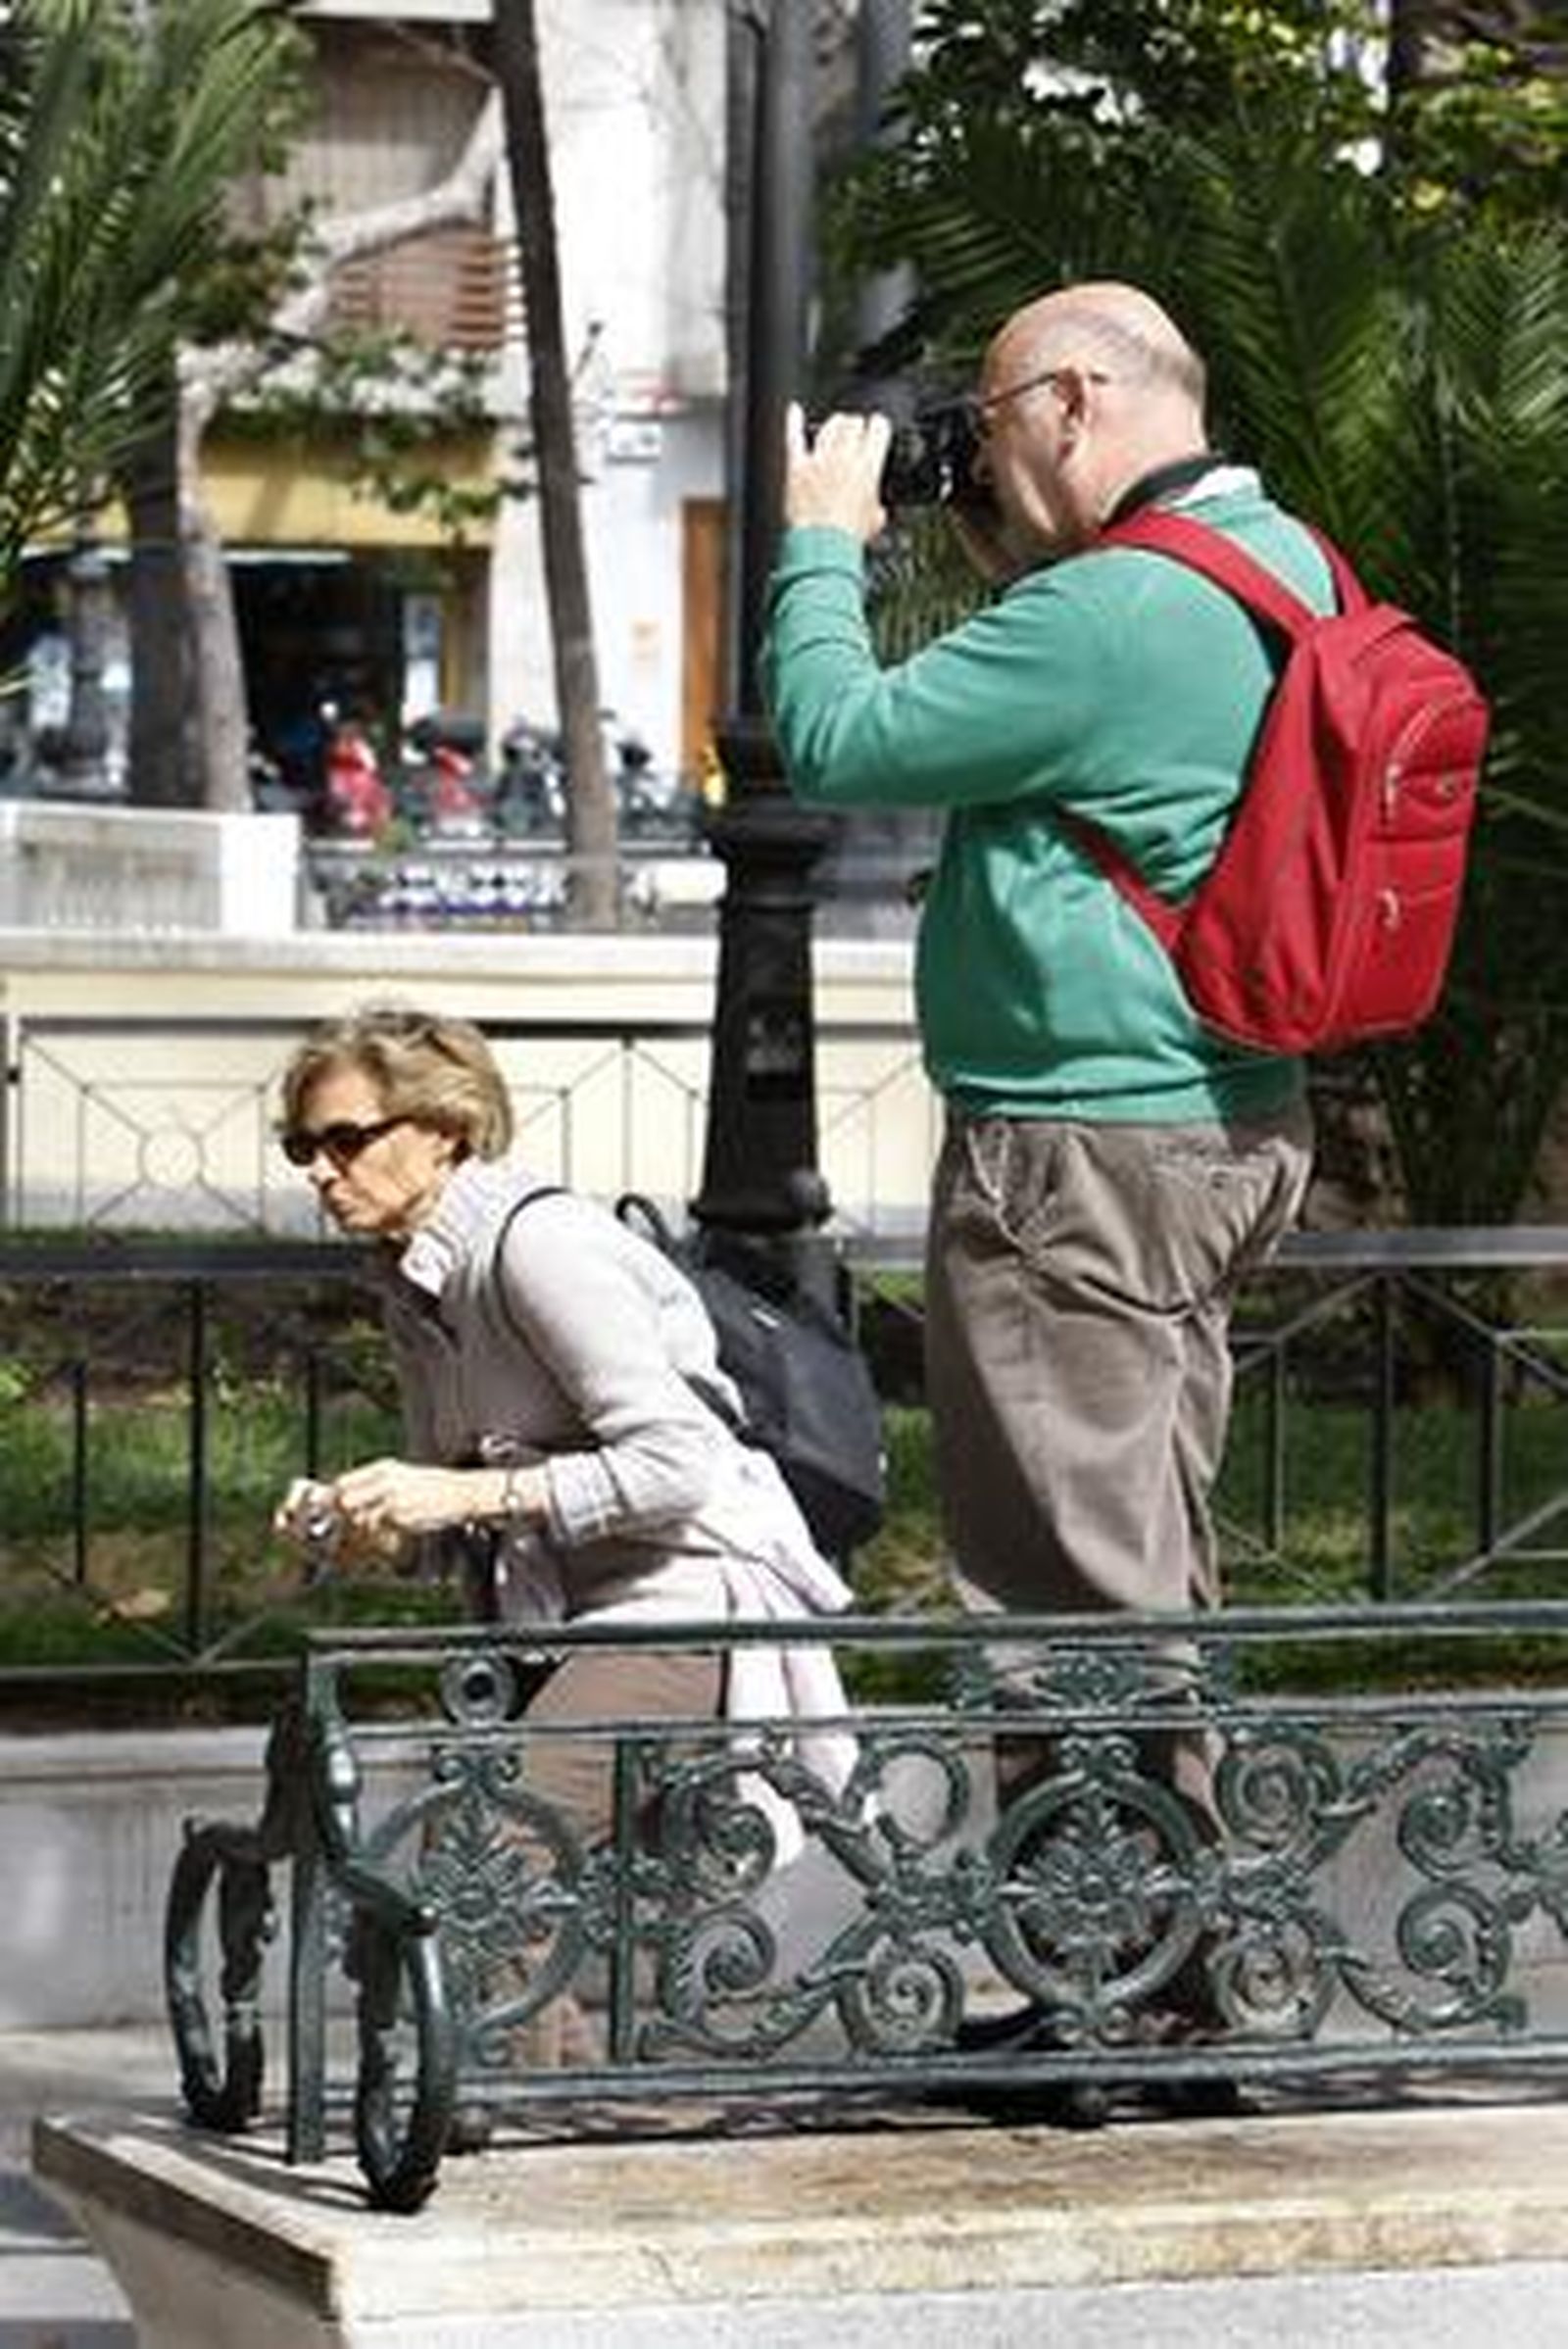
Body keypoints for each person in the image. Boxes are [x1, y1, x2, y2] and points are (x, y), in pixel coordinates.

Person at [762, 284, 1314, 1825]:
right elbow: (1103, 730)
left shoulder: (1106, 614)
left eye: (997, 426)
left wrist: (821, 539)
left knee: (1055, 1580)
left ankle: (1118, 1972)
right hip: (1223, 1125)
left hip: (1072, 1156)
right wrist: (1006, 548)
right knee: (1139, 1543)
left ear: (1073, 403)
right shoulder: (1279, 566)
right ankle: (1167, 1958)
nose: (988, 461)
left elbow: (837, 739)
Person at [270, 1003, 855, 1981]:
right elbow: (456, 1504)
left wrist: (460, 1500)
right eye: (302, 1148)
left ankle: (492, 2113)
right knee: (475, 1861)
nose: (322, 1172)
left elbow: (679, 1465)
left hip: (686, 1603)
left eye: (346, 1139)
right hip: (558, 1614)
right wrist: (362, 1522)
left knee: (486, 1851)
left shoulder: (540, 1247)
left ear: (444, 1132)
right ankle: (520, 2100)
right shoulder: (414, 1281)